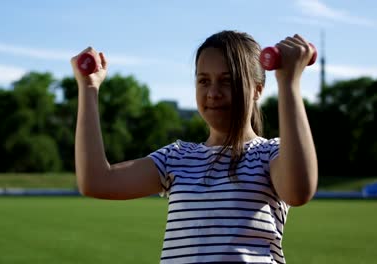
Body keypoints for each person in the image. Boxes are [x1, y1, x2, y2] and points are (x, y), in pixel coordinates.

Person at [71, 30, 318, 264]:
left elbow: (298, 192)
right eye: (203, 81)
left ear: (258, 89)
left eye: (227, 81)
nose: (213, 92)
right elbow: (96, 181)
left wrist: (288, 84)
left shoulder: (270, 155)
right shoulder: (176, 157)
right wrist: (89, 88)